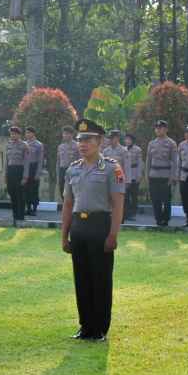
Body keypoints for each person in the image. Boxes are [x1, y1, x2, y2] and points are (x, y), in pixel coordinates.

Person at [62, 119, 124, 342]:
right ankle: (85, 326)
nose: (82, 143)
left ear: (99, 141)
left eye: (88, 139)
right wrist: (64, 236)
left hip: (100, 226)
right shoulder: (73, 169)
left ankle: (100, 329)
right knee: (82, 279)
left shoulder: (111, 168)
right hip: (79, 226)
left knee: (101, 278)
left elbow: (117, 203)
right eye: (80, 139)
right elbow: (68, 204)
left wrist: (113, 234)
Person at [145, 120, 177, 227]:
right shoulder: (151, 143)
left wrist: (172, 177)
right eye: (157, 128)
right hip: (154, 175)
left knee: (166, 200)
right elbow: (148, 161)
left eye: (161, 128)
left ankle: (166, 220)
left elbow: (174, 162)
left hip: (165, 175)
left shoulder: (171, 143)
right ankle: (158, 219)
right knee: (155, 200)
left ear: (166, 129)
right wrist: (147, 175)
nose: (158, 130)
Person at [5, 126, 28, 222]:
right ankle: (14, 215)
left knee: (20, 195)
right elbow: (7, 160)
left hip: (20, 171)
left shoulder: (24, 145)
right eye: (11, 134)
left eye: (14, 133)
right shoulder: (8, 145)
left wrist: (25, 176)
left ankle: (21, 216)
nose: (12, 135)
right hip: (10, 171)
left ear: (19, 134)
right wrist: (6, 174)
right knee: (12, 193)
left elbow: (26, 162)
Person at [25, 126, 45, 217]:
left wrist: (38, 173)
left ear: (33, 133)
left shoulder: (39, 145)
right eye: (26, 133)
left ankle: (34, 209)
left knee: (34, 189)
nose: (27, 134)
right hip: (26, 168)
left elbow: (40, 160)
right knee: (26, 189)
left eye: (29, 133)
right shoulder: (24, 144)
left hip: (34, 167)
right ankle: (28, 208)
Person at [122, 131, 142, 222]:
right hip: (125, 174)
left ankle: (133, 213)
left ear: (132, 141)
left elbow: (139, 163)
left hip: (134, 172)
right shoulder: (123, 149)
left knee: (134, 195)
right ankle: (127, 213)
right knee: (126, 195)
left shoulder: (137, 150)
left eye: (129, 139)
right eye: (126, 139)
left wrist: (139, 175)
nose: (127, 141)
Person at [57, 126, 78, 197]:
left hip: (73, 170)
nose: (64, 135)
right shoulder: (61, 146)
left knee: (72, 191)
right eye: (64, 134)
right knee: (62, 189)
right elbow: (58, 161)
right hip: (62, 170)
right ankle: (65, 206)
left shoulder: (77, 146)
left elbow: (81, 160)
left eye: (66, 133)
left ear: (71, 135)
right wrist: (58, 173)